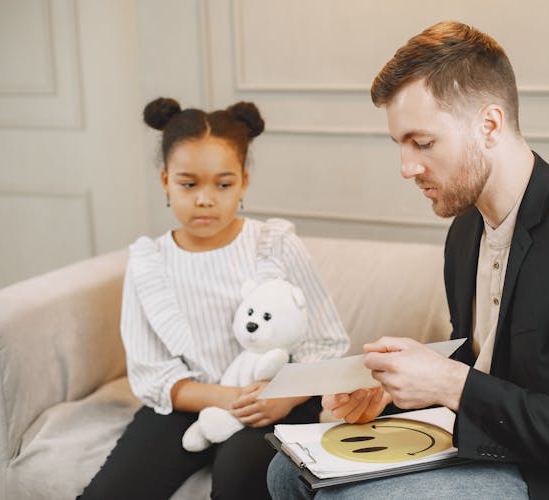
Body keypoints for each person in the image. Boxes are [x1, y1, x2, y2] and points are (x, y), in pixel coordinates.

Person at [267, 21, 549, 500]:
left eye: (423, 143)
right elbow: (496, 362)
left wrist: (451, 383)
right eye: (399, 144)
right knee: (284, 471)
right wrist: (395, 387)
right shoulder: (465, 231)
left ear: (489, 125)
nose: (406, 167)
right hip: (508, 450)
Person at [79, 98, 350, 500]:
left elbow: (327, 343)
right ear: (165, 181)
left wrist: (282, 397)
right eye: (188, 184)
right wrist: (224, 398)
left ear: (243, 182)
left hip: (272, 400)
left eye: (223, 184)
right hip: (192, 400)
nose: (205, 199)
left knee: (242, 478)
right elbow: (152, 372)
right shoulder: (149, 263)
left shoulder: (274, 243)